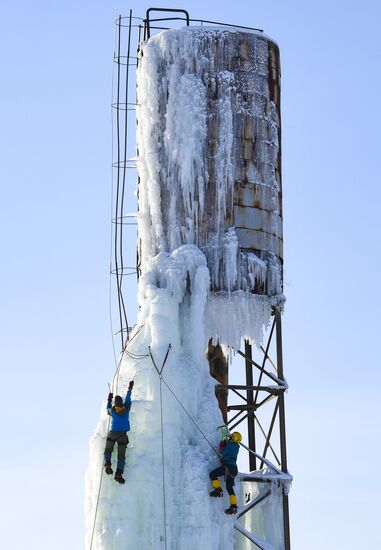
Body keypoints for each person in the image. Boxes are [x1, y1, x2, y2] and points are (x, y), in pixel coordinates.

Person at [104, 380, 134, 484]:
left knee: (108, 450)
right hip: (122, 435)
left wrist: (109, 400)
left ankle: (108, 465)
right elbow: (128, 398)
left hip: (113, 433)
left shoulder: (112, 410)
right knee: (121, 456)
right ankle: (118, 475)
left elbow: (107, 408)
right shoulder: (126, 408)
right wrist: (130, 389)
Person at [209, 431, 242, 515]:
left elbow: (223, 452)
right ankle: (233, 506)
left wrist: (222, 446)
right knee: (229, 487)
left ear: (234, 438)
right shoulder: (236, 447)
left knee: (212, 474)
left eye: (232, 436)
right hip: (234, 469)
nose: (230, 436)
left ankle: (218, 489)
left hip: (228, 467)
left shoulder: (230, 444)